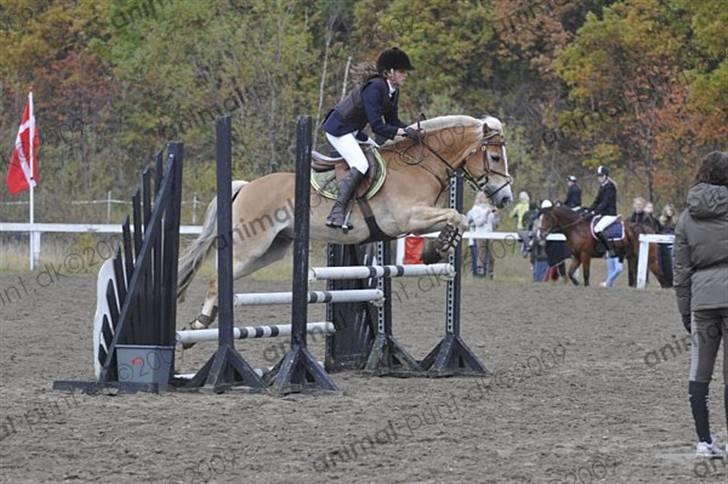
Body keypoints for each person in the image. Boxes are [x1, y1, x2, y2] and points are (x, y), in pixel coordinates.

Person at [321, 47, 418, 229]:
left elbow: (393, 121)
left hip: (353, 130)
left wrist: (413, 130)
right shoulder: (374, 88)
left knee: (380, 156)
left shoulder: (393, 91)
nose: (405, 75)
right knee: (361, 164)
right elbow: (377, 126)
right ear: (389, 72)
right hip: (339, 129)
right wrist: (403, 133)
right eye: (402, 72)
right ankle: (337, 212)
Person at [673, 151, 728, 458]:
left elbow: (681, 271)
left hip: (702, 300)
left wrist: (685, 309)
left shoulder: (685, 218)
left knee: (700, 372)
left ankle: (704, 442)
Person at [587, 165, 618, 257]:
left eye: (601, 176)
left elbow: (605, 203)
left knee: (597, 229)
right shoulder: (602, 186)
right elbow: (597, 201)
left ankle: (610, 249)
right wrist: (588, 210)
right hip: (603, 214)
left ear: (606, 176)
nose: (599, 178)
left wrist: (594, 212)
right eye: (598, 176)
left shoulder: (610, 187)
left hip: (610, 214)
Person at [466, 192, 499, 278]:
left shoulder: (489, 208)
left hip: (490, 234)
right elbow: (478, 223)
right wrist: (486, 214)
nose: (486, 198)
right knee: (481, 255)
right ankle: (480, 273)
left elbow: (495, 224)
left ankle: (490, 273)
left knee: (492, 255)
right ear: (479, 198)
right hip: (480, 234)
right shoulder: (475, 209)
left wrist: (496, 216)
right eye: (484, 197)